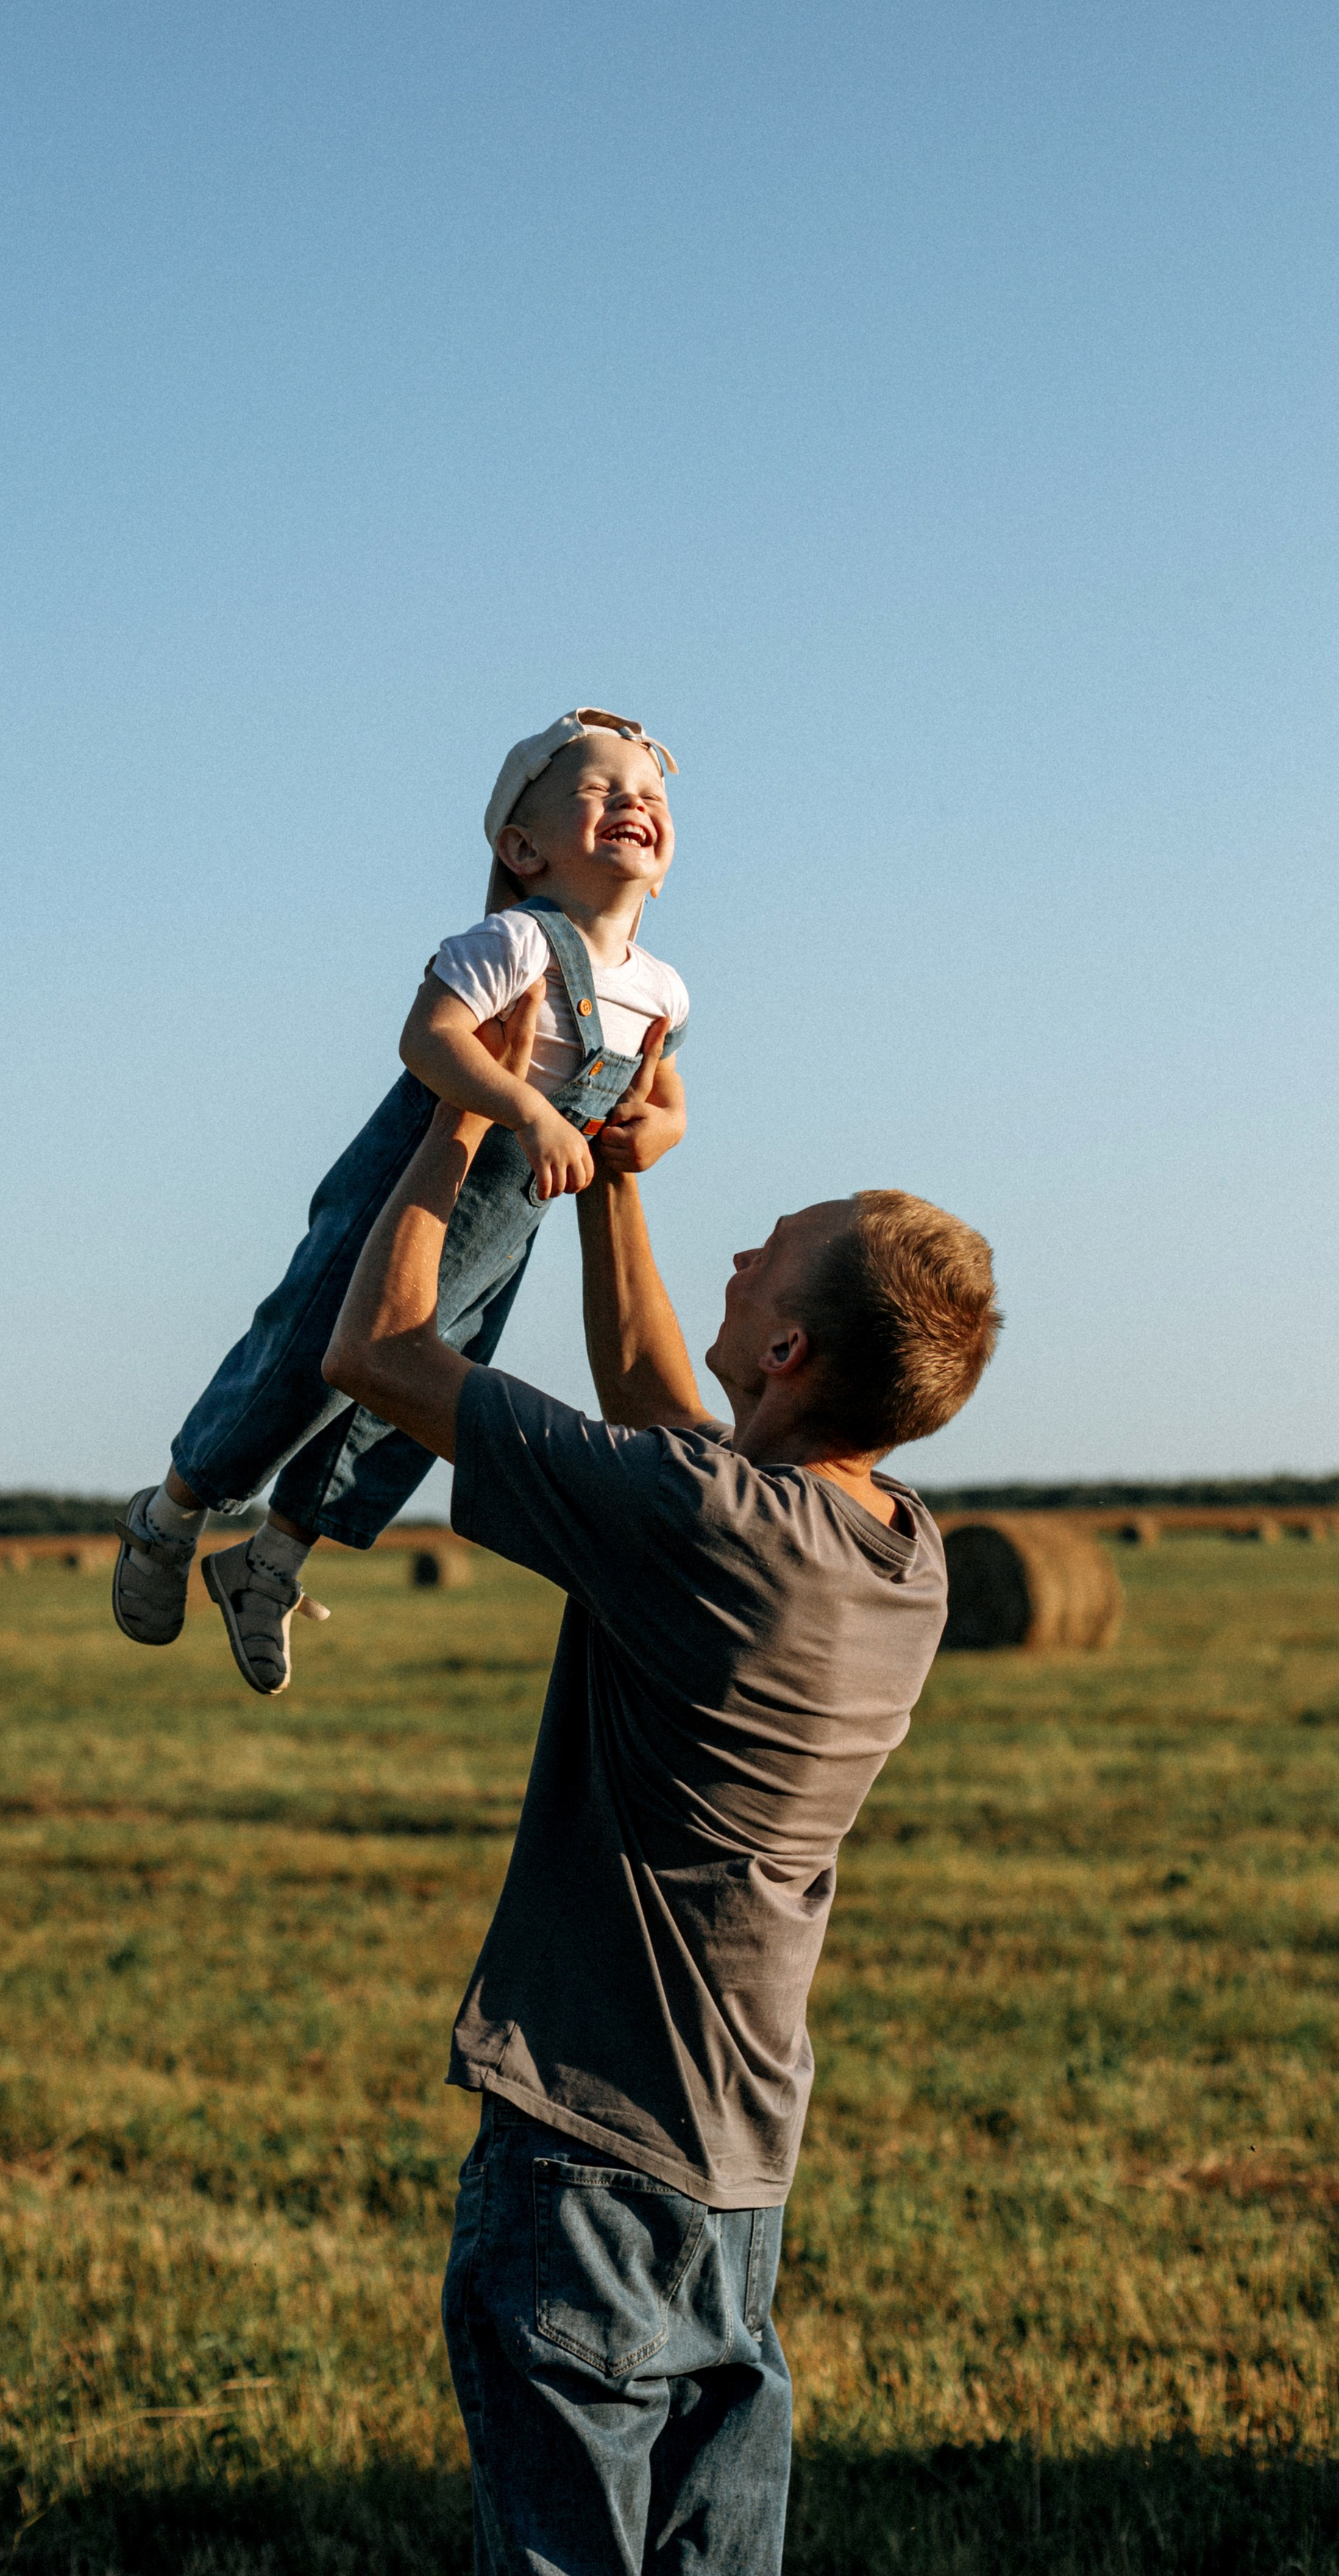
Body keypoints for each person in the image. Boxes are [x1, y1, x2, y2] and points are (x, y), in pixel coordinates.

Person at [319, 994, 1002, 2576]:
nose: (746, 1240)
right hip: (734, 2181)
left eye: (773, 1244)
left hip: (589, 2171)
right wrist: (616, 1163)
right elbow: (654, 1401)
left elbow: (375, 1354)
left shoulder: (710, 1526)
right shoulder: (894, 1549)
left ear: (784, 1348)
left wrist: (472, 1108)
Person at [109, 709, 690, 1696]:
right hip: (406, 1197)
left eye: (651, 796)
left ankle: (271, 1564)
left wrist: (659, 1132)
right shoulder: (513, 940)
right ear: (523, 846)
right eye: (600, 791)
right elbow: (431, 1040)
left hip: (503, 1233)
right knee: (302, 1362)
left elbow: (664, 1095)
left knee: (407, 1406)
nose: (633, 803)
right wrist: (527, 1112)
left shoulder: (664, 991)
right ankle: (171, 1514)